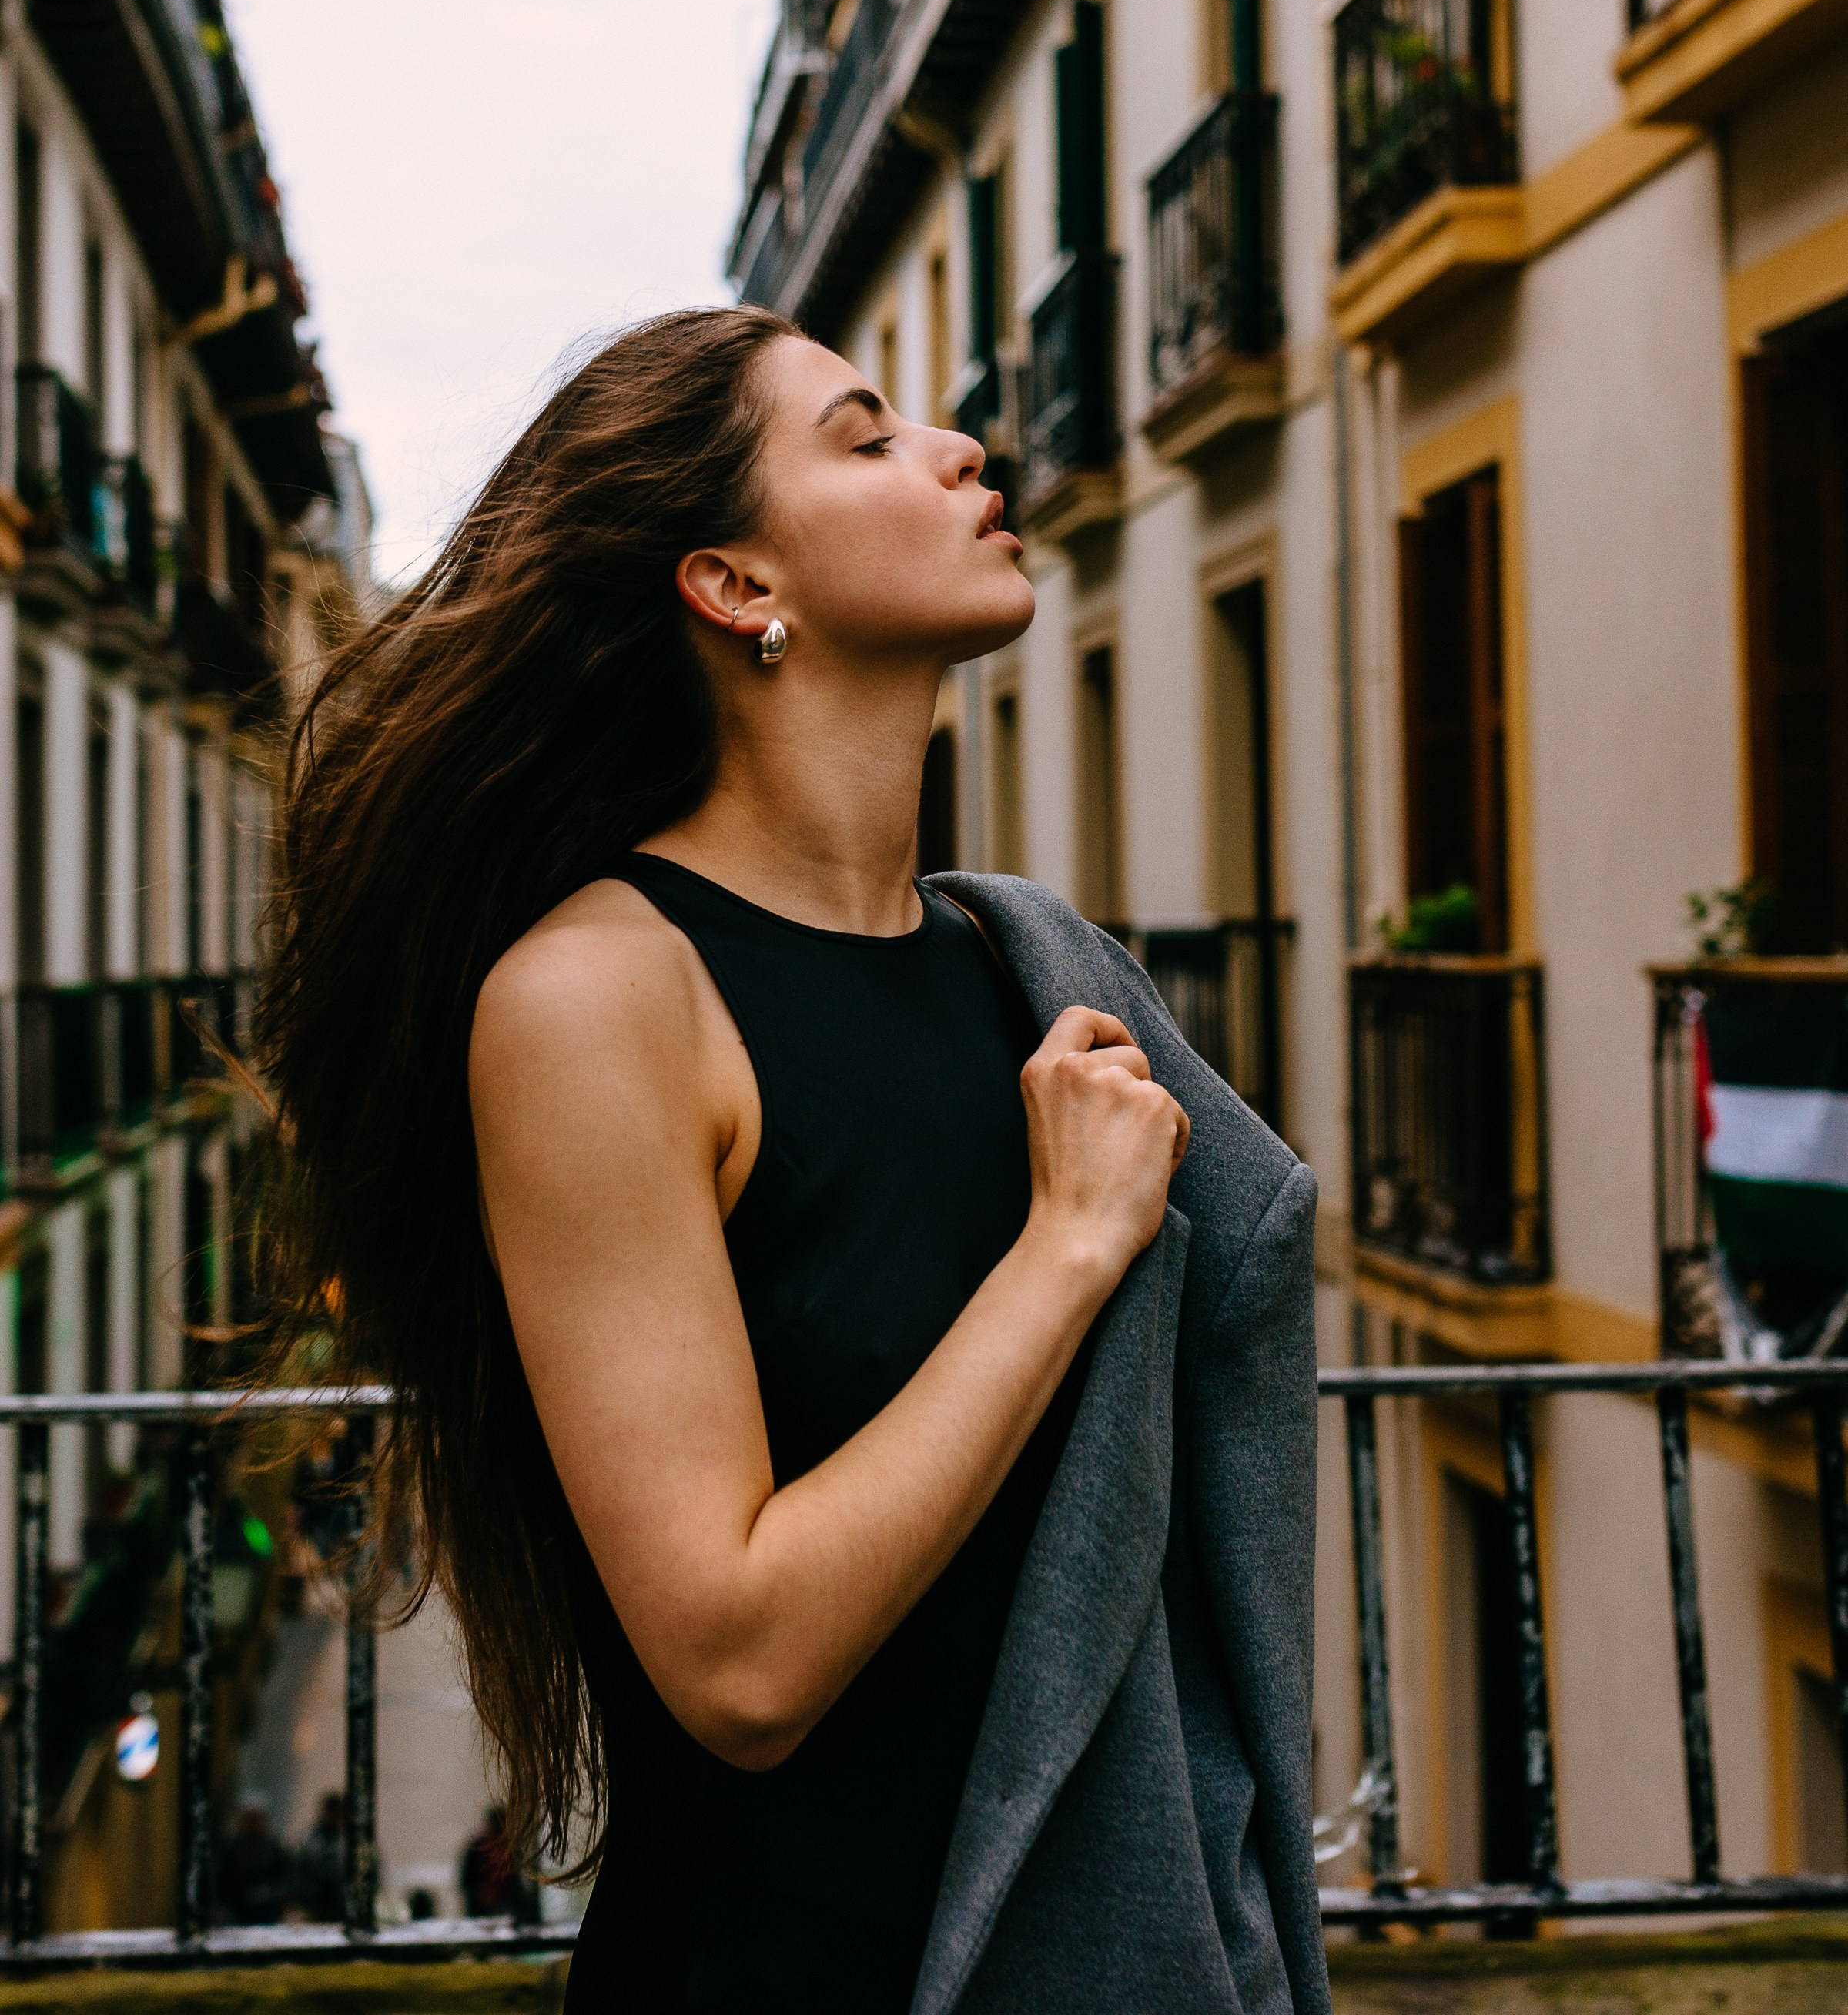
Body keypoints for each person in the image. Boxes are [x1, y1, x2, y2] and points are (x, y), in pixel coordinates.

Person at [259, 309, 1327, 2013]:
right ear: (737, 585)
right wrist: (1063, 1253)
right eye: (864, 433)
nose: (958, 447)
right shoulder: (601, 996)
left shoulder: (1027, 983)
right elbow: (741, 1658)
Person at [218, 1795, 291, 1926]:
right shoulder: (232, 1848)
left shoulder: (274, 1848)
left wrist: (269, 1893)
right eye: (249, 1819)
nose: (252, 1824)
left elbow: (285, 1878)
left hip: (267, 1910)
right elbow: (223, 1878)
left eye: (256, 1819)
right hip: (238, 1910)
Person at [293, 1789, 346, 1923]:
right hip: (315, 1906)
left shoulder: (352, 1840)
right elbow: (299, 1871)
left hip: (343, 1904)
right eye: (330, 1812)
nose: (333, 1817)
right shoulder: (309, 1840)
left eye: (337, 1812)